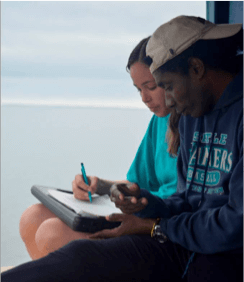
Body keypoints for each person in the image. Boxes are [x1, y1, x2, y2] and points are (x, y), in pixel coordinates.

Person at [2, 16, 243, 282]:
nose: (169, 102)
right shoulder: (191, 117)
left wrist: (154, 227)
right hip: (182, 242)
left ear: (196, 69)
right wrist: (147, 204)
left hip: (224, 257)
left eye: (167, 87)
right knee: (80, 255)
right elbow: (185, 202)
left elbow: (235, 224)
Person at [18, 37, 180, 260]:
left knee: (51, 234)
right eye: (138, 90)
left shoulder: (193, 124)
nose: (144, 98)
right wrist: (101, 185)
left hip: (156, 223)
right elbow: (137, 183)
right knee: (32, 217)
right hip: (138, 208)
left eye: (151, 87)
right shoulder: (159, 121)